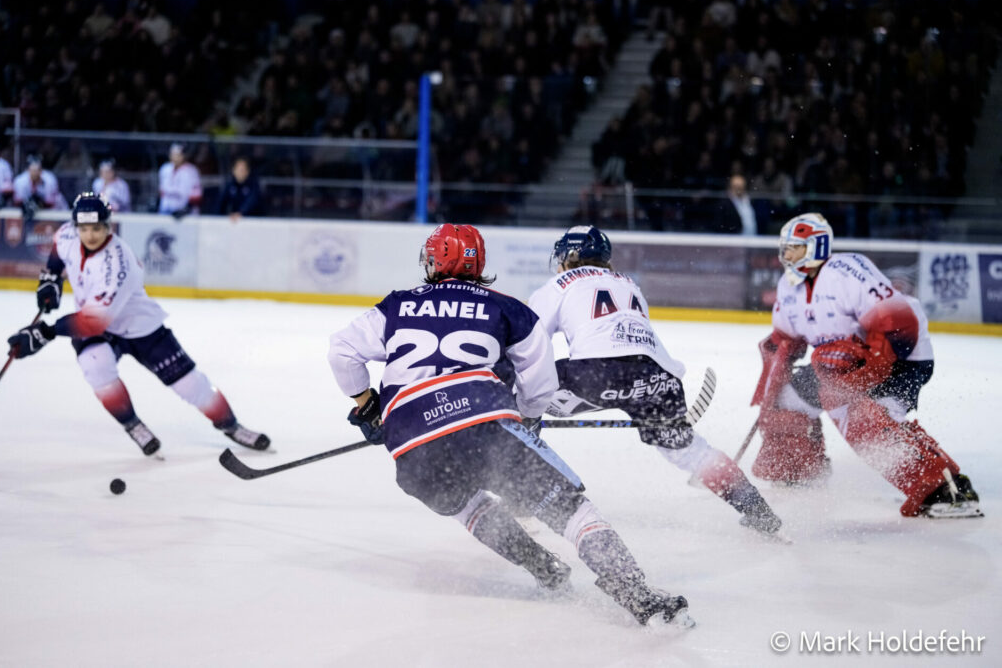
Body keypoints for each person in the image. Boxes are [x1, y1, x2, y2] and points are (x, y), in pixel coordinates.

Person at [327, 224, 695, 628]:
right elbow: (540, 389)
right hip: (485, 428)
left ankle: (541, 567)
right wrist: (523, 418)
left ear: (436, 260)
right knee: (571, 510)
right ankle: (632, 590)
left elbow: (342, 351)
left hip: (412, 447)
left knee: (467, 502)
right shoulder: (508, 308)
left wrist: (368, 407)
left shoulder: (398, 305)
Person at [528, 226, 782, 534]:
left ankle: (526, 495)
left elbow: (529, 342)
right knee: (688, 450)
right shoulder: (629, 283)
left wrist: (526, 404)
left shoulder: (559, 284)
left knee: (516, 404)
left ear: (569, 256)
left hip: (597, 377)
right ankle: (758, 511)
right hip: (661, 379)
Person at [750, 212, 982, 518]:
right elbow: (787, 340)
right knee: (785, 402)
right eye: (785, 247)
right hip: (838, 367)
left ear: (817, 246)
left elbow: (897, 322)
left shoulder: (847, 270)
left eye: (795, 247)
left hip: (901, 357)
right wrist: (773, 374)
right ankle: (800, 468)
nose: (786, 255)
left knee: (867, 422)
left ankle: (944, 489)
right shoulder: (788, 287)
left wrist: (866, 376)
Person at [6, 193, 271, 457]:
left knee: (192, 385)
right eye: (84, 228)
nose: (90, 235)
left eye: (97, 228)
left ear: (108, 225)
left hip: (139, 328)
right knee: (95, 366)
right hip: (99, 326)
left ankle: (232, 426)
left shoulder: (118, 263)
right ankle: (132, 424)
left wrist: (46, 332)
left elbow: (93, 322)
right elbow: (58, 250)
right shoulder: (67, 234)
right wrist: (50, 278)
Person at [157, 143, 202, 218]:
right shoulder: (165, 169)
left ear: (183, 156)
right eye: (173, 154)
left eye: (178, 155)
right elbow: (162, 192)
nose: (175, 157)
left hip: (185, 215)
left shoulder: (191, 171)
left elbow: (197, 196)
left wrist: (186, 209)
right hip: (165, 211)